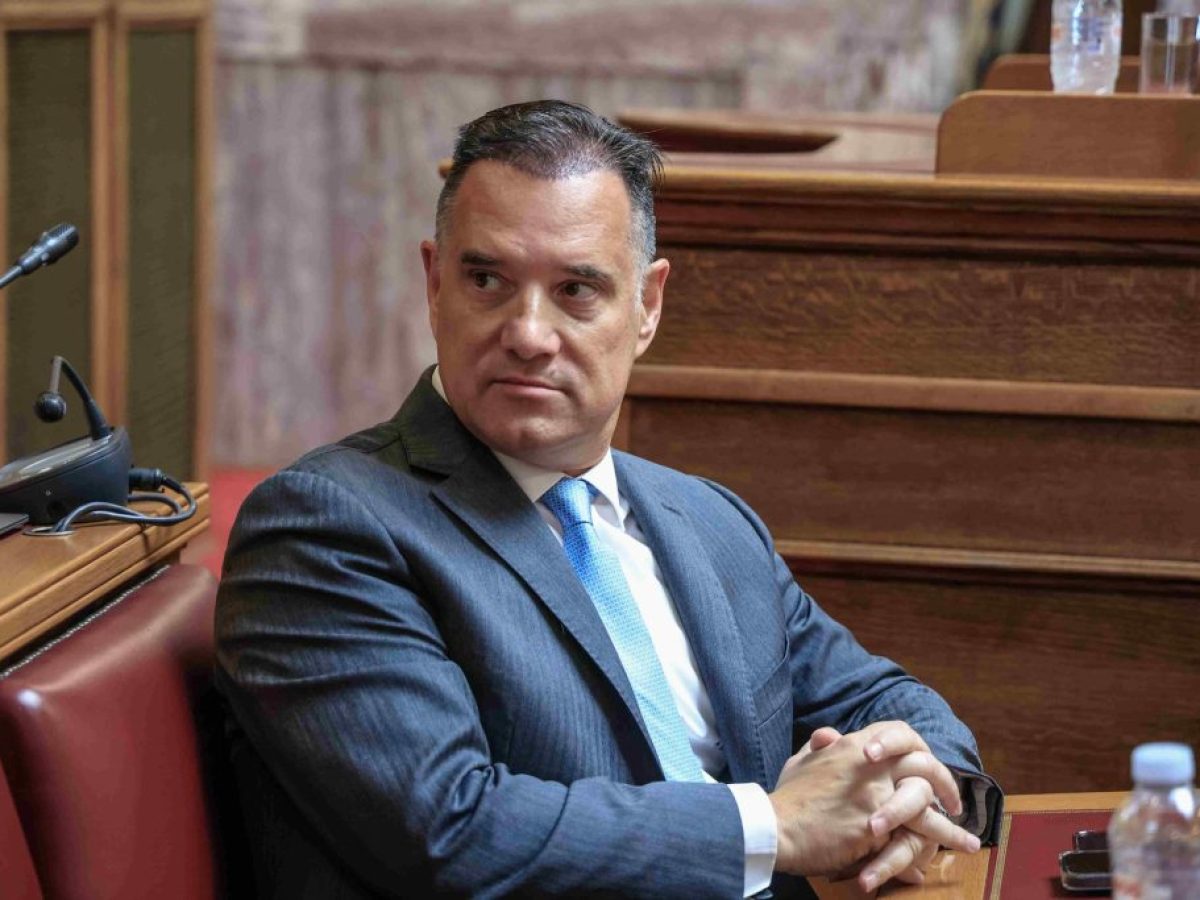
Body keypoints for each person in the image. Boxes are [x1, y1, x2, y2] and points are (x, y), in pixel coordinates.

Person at [215, 100, 1001, 899]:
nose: (527, 332)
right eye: (487, 280)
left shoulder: (710, 521)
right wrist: (773, 826)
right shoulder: (328, 525)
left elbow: (884, 701)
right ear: (435, 284)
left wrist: (918, 789)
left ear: (647, 306)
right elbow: (450, 831)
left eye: (576, 289)